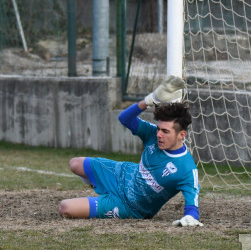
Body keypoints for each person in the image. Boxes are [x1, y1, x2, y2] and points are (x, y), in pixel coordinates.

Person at [58, 76, 202, 227]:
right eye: (158, 129)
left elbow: (192, 205)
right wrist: (149, 100)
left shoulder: (186, 169)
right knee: (74, 164)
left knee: (65, 208)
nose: (159, 134)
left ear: (181, 135)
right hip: (122, 174)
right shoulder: (152, 134)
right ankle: (102, 189)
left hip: (130, 206)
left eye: (165, 131)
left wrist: (190, 217)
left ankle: (105, 202)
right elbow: (124, 118)